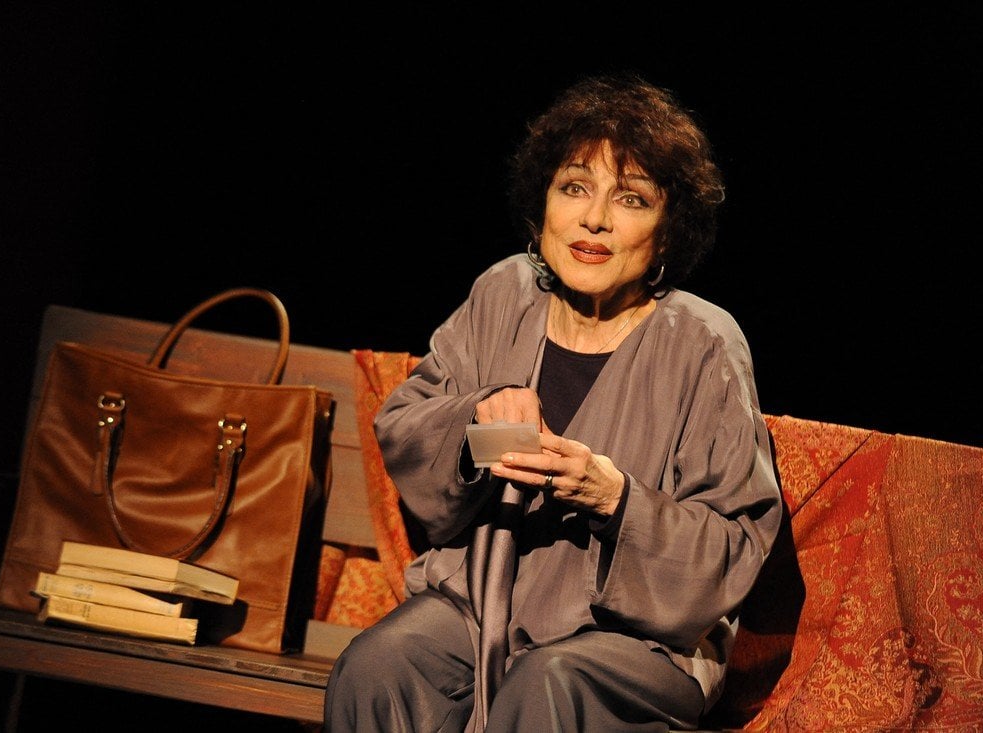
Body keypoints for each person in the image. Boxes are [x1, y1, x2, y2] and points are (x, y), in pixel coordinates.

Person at [324, 70, 784, 732]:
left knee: (548, 683)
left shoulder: (705, 343)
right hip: (482, 604)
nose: (594, 218)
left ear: (667, 230)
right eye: (574, 187)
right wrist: (477, 419)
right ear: (542, 201)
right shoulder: (502, 294)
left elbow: (734, 541)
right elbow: (408, 424)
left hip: (635, 637)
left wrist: (616, 499)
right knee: (377, 667)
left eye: (631, 199)